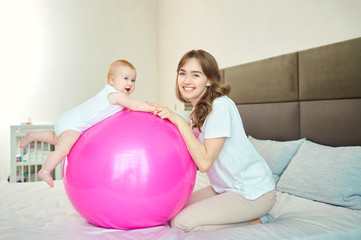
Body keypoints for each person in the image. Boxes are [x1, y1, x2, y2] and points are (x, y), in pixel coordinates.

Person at [153, 50, 276, 232]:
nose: (186, 81)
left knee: (181, 223)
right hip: (224, 187)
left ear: (209, 80)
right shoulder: (197, 114)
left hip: (252, 192)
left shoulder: (221, 107)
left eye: (196, 75)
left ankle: (257, 220)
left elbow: (204, 162)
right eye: (182, 73)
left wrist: (179, 120)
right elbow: (187, 153)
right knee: (172, 210)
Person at [20, 60, 155, 188]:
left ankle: (33, 136)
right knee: (62, 150)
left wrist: (144, 105)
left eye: (133, 80)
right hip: (74, 125)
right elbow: (135, 105)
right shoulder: (116, 96)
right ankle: (45, 170)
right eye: (125, 78)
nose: (130, 83)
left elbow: (129, 107)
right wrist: (153, 108)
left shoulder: (113, 95)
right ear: (111, 80)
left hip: (67, 119)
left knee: (56, 138)